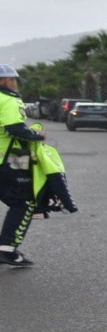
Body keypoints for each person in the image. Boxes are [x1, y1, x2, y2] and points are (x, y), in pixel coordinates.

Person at [0, 63, 48, 266]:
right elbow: (14, 128)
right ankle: (7, 249)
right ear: (5, 81)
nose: (16, 84)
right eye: (14, 80)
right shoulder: (8, 99)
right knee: (25, 202)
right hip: (10, 158)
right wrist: (36, 135)